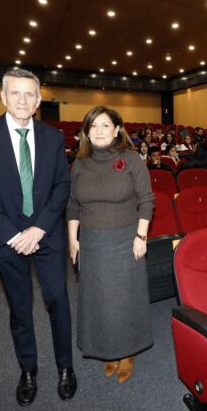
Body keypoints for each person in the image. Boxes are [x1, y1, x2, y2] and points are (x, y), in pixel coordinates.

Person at [0, 68, 76, 406]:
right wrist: (14, 235)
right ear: (3, 97)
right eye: (16, 93)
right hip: (6, 237)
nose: (23, 100)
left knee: (58, 300)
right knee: (19, 307)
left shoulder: (53, 137)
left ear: (39, 99)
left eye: (30, 94)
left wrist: (39, 227)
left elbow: (61, 186)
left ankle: (65, 367)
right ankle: (27, 369)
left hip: (47, 233)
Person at [66, 106, 154, 385]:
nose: (99, 131)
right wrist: (73, 239)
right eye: (93, 126)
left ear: (117, 130)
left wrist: (141, 237)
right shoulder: (79, 163)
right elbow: (73, 204)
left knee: (124, 300)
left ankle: (126, 353)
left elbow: (147, 201)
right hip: (91, 242)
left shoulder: (130, 159)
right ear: (86, 132)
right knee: (99, 300)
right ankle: (108, 350)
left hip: (125, 240)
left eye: (105, 125)